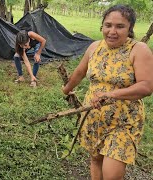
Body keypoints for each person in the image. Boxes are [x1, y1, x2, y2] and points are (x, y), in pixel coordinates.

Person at [62, 5, 153, 180]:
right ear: (102, 26)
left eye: (120, 26)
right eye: (108, 25)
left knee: (111, 174)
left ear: (130, 29)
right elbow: (80, 71)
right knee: (96, 159)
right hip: (94, 116)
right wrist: (67, 88)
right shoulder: (95, 47)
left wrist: (111, 95)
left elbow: (146, 86)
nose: (112, 31)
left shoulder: (138, 50)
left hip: (123, 121)